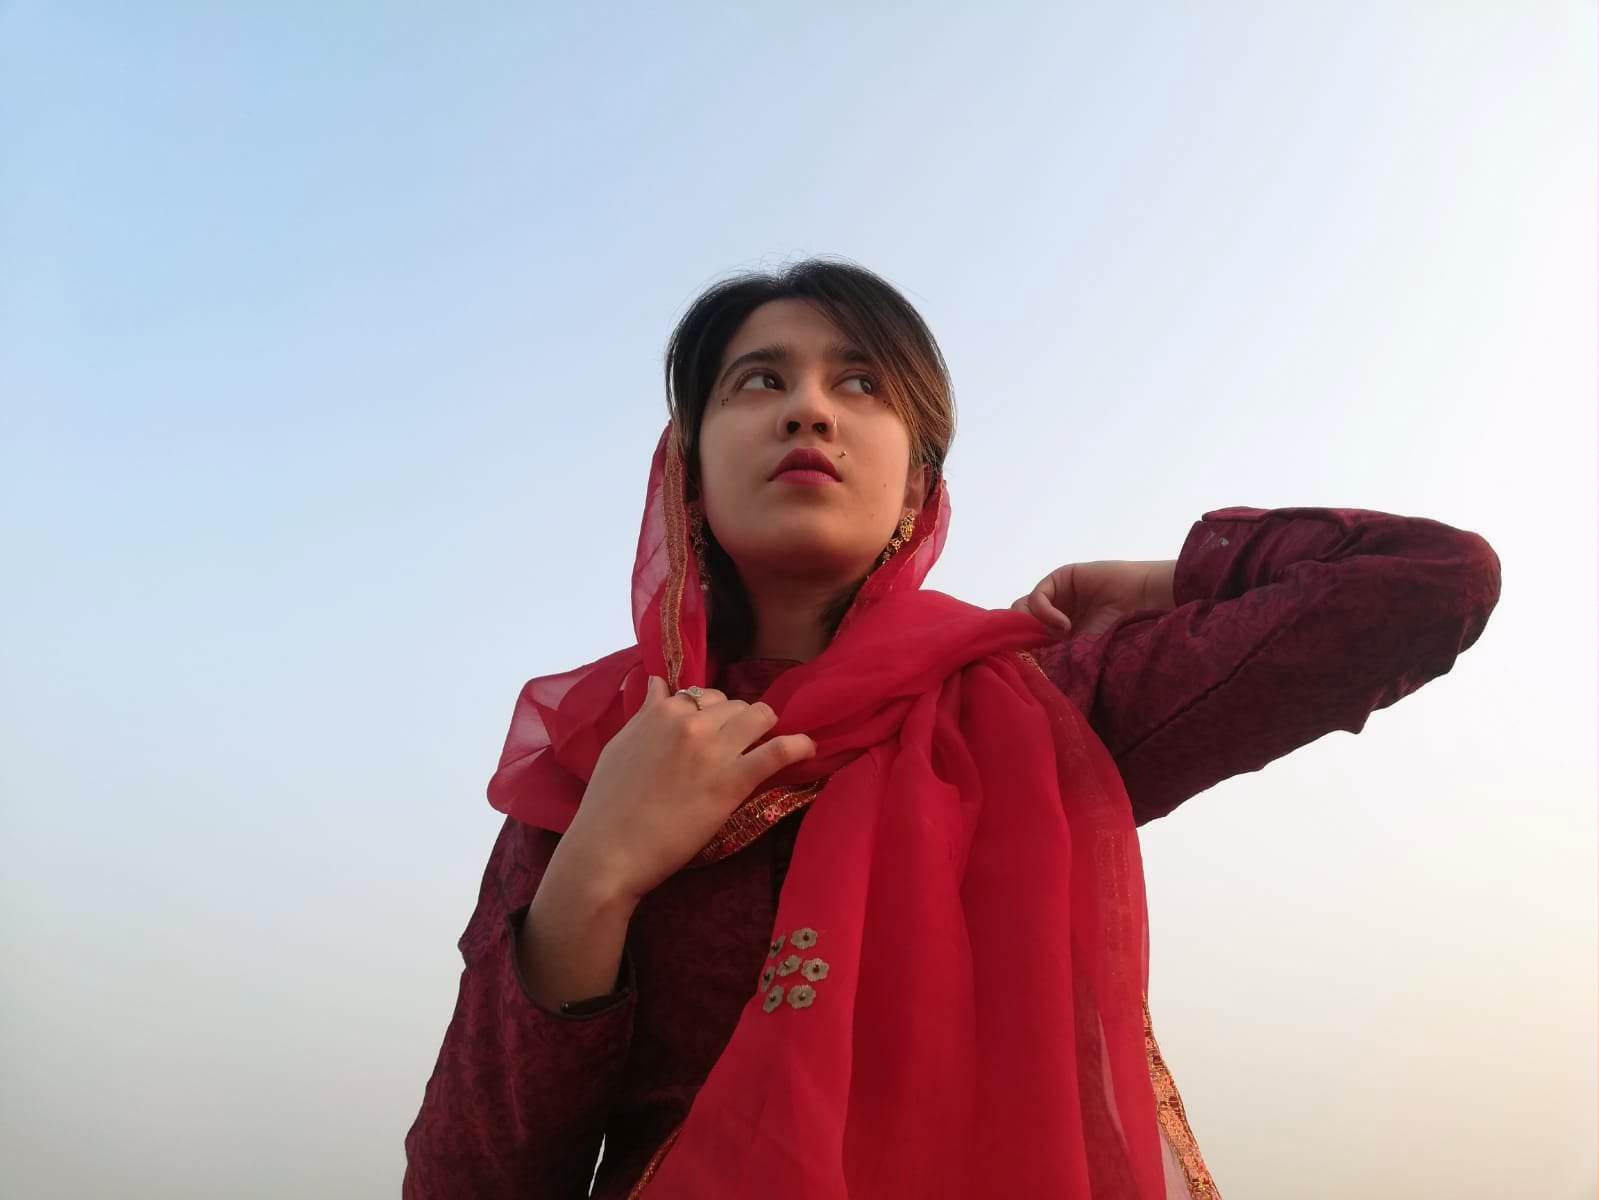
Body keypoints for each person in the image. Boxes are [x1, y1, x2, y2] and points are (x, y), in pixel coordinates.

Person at [402, 258, 1501, 1199]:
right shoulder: (609, 756)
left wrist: (1168, 579)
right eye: (759, 381)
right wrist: (594, 877)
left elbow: (1429, 582)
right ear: (685, 469)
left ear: (917, 485)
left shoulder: (1046, 704)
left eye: (861, 384)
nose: (809, 410)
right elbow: (468, 1180)